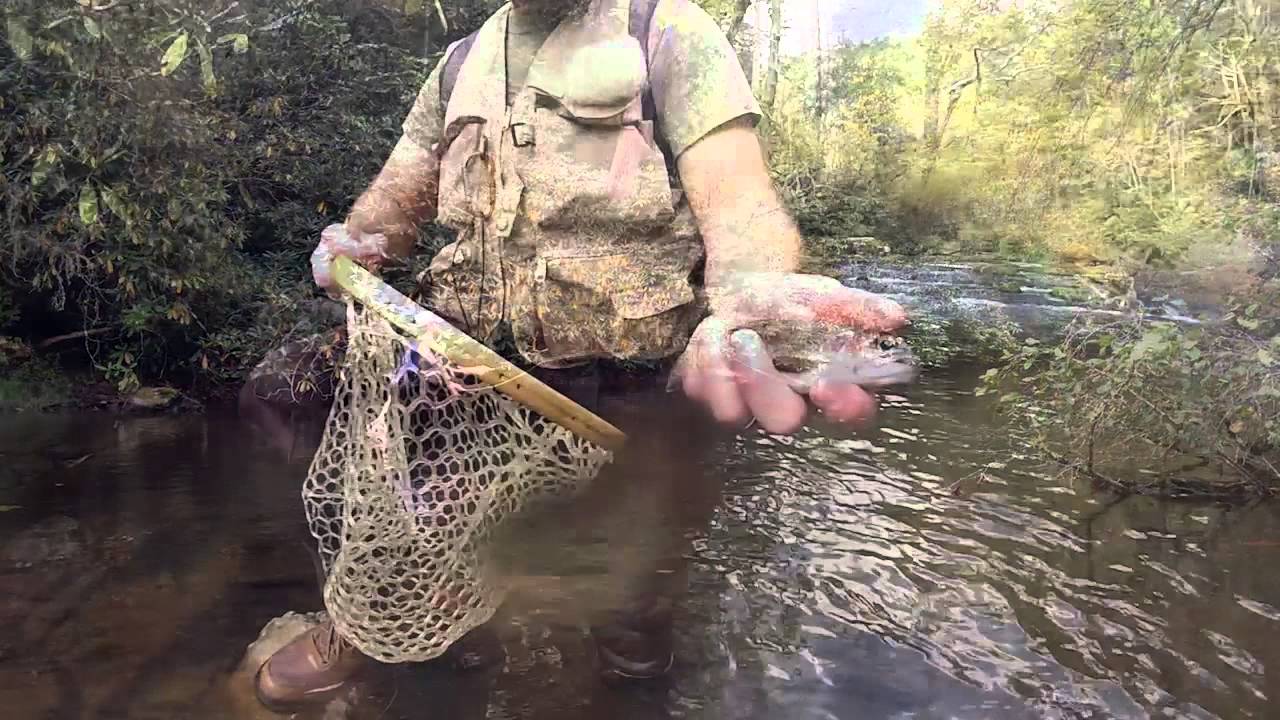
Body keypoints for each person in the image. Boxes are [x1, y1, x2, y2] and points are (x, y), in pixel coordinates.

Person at [252, 0, 907, 709]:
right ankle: (404, 628)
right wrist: (355, 240)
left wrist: (751, 291)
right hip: (468, 375)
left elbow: (742, 205)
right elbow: (398, 197)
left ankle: (631, 665)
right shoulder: (459, 64)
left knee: (627, 598)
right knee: (322, 430)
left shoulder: (667, 33)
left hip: (628, 389)